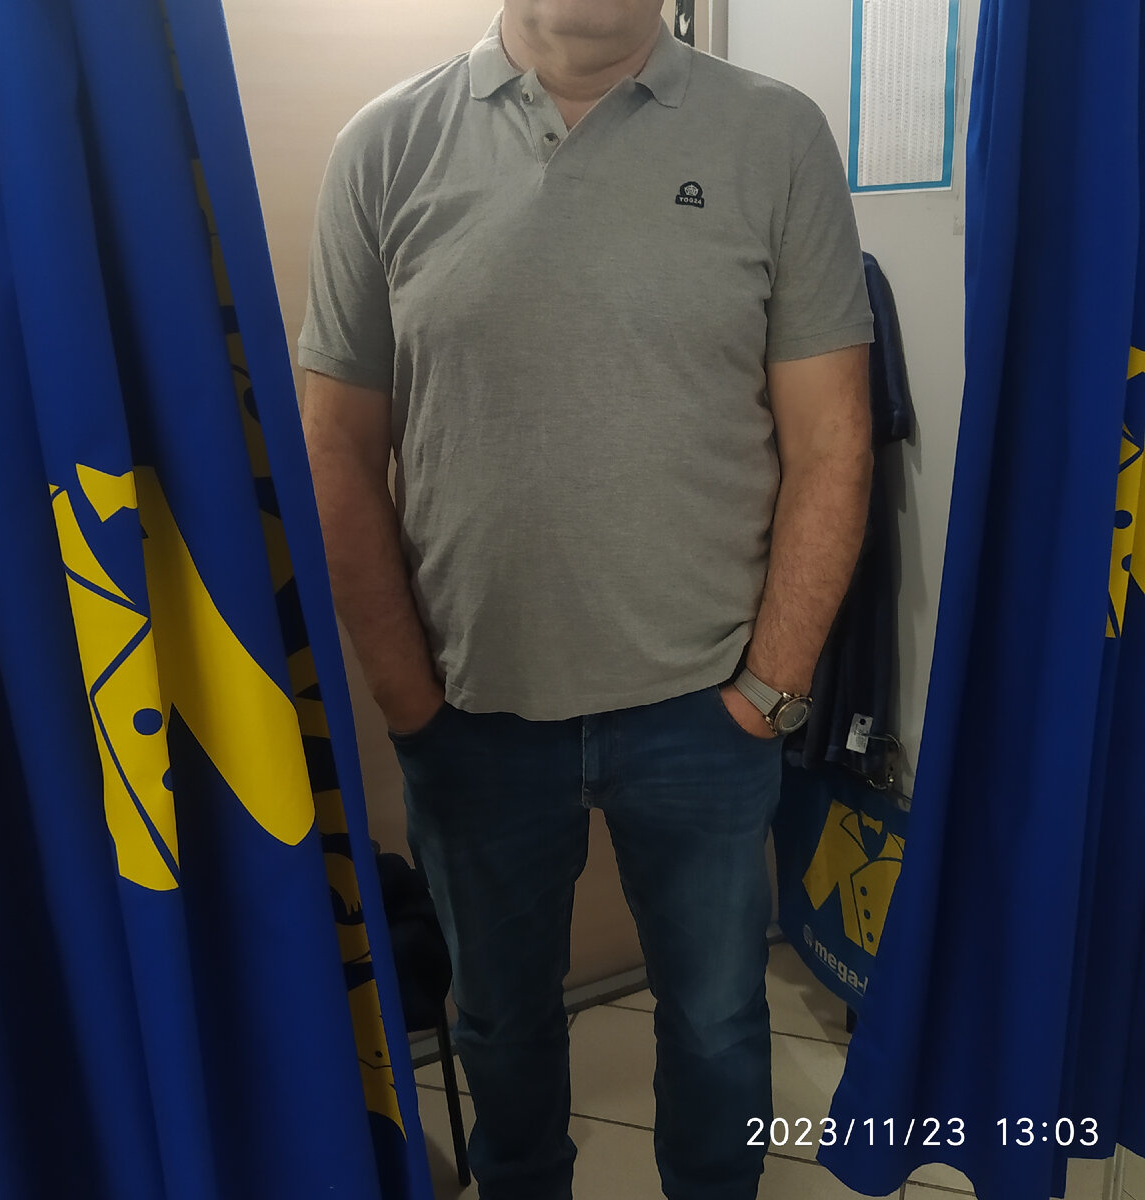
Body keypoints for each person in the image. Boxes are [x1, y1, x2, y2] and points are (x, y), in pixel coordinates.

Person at [299, 3, 874, 1197]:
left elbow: (833, 442)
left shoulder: (776, 134)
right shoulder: (386, 146)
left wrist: (772, 688)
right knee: (500, 1029)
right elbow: (336, 449)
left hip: (708, 714)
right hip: (472, 720)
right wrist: (409, 700)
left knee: (718, 1023)